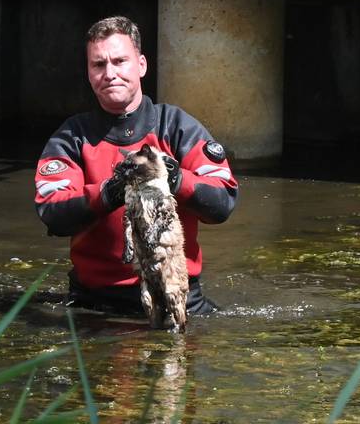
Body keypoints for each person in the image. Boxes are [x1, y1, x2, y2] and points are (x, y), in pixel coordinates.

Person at [34, 16, 238, 315]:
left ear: (141, 65)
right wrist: (110, 192)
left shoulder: (177, 127)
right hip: (97, 304)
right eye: (99, 64)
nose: (110, 73)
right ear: (89, 73)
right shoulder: (70, 138)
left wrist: (176, 178)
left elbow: (223, 202)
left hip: (178, 296)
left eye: (119, 61)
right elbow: (52, 212)